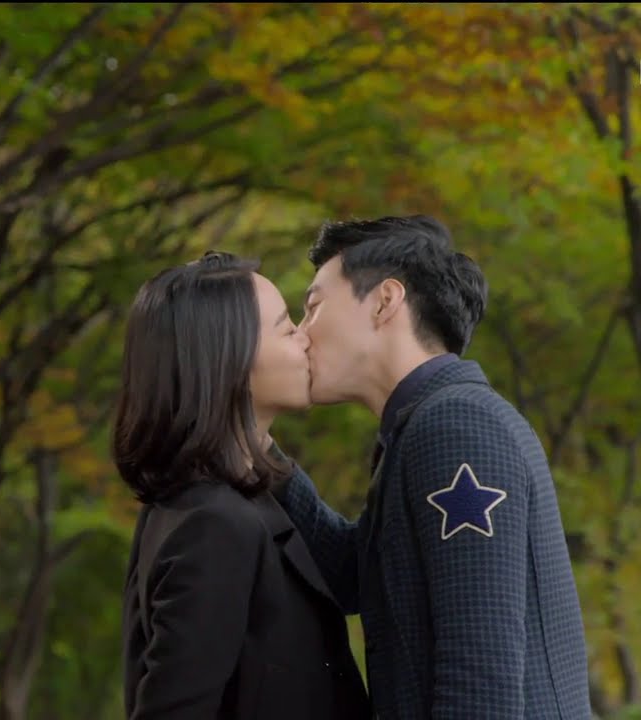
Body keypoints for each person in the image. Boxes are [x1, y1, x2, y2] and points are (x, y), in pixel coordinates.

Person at [270, 215, 592, 718]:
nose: (304, 334)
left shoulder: (456, 425)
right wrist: (262, 456)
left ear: (385, 300)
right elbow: (356, 576)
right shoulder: (424, 424)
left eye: (313, 307)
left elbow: (479, 684)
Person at [116, 251, 371, 720]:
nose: (305, 337)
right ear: (228, 361)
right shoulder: (214, 523)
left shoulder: (199, 503)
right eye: (285, 328)